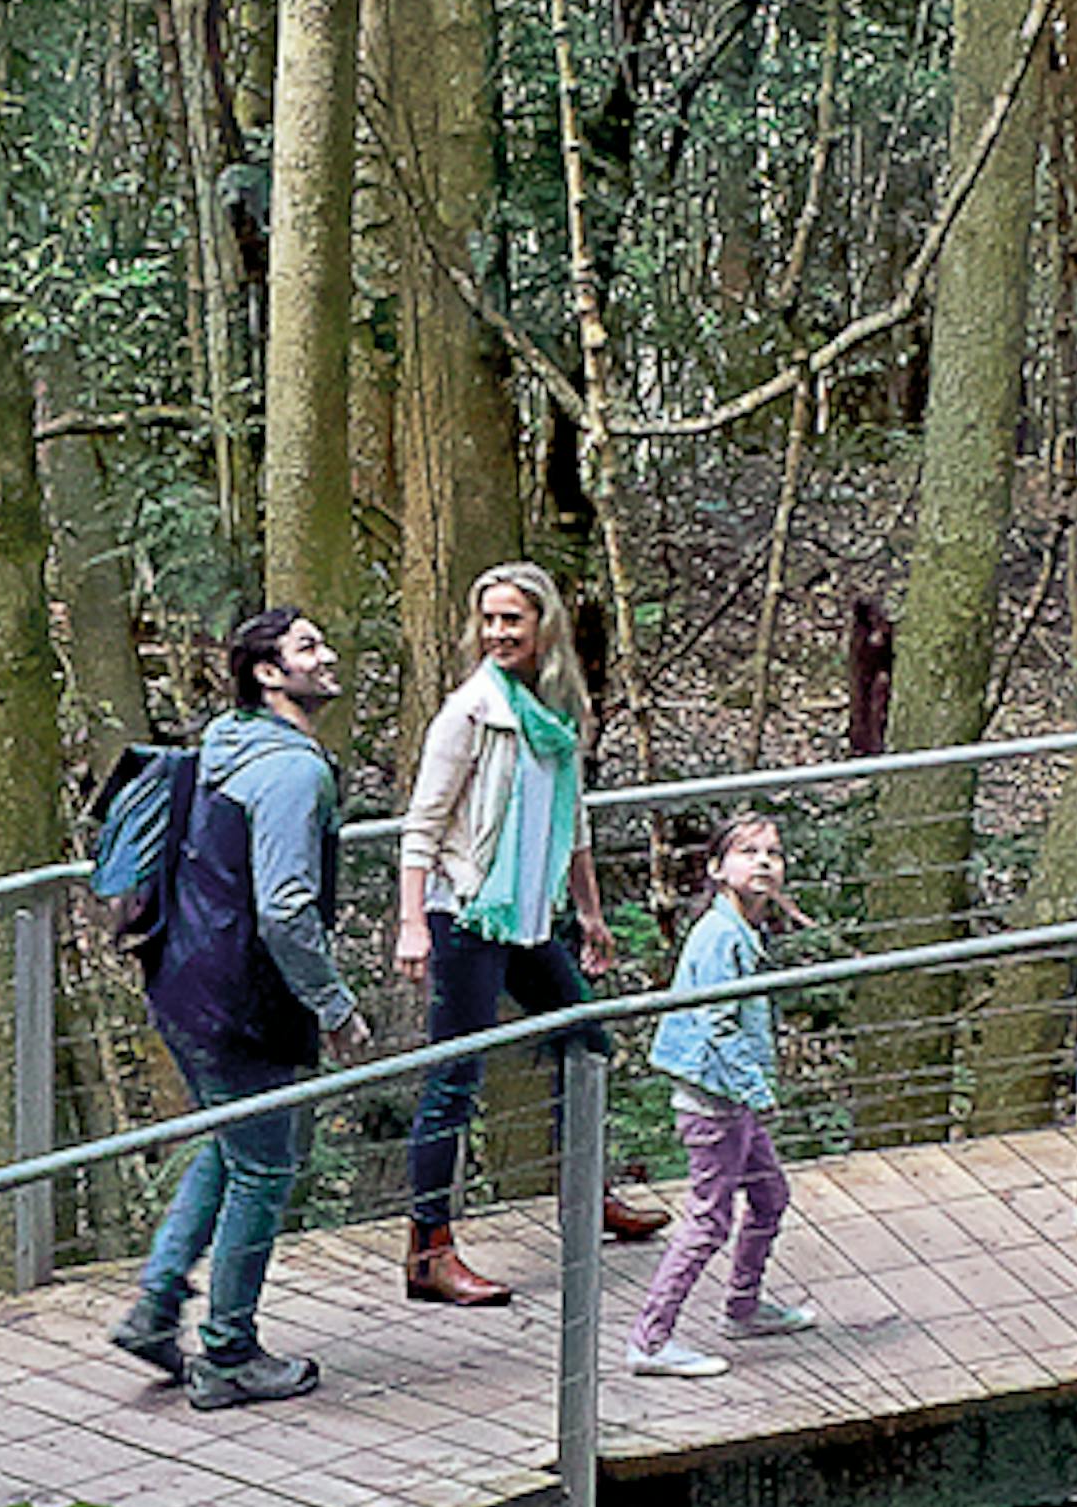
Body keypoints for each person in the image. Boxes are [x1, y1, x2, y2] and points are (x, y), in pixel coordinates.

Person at [109, 606, 373, 1406]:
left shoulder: (226, 741)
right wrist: (333, 1005)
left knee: (233, 1145)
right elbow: (288, 908)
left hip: (183, 979)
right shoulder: (294, 771)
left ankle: (158, 1304)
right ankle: (228, 1353)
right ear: (269, 673)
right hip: (241, 998)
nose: (326, 655)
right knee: (263, 1164)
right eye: (307, 647)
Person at [393, 558, 668, 1307]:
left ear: (545, 625)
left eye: (512, 619)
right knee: (455, 1078)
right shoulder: (471, 714)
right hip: (468, 913)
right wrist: (414, 922)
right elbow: (421, 826)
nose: (498, 633)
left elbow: (568, 820)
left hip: (524, 917)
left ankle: (586, 1196)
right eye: (489, 620)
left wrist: (588, 912)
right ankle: (429, 1251)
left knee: (586, 1040)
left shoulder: (555, 713)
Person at [629, 811, 816, 1378]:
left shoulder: (745, 929)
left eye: (773, 853)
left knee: (768, 1198)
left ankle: (743, 1305)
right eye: (748, 852)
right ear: (716, 868)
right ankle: (651, 1340)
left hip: (732, 1098)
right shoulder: (717, 936)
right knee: (708, 1221)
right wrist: (756, 1089)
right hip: (714, 1101)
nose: (763, 862)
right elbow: (716, 1022)